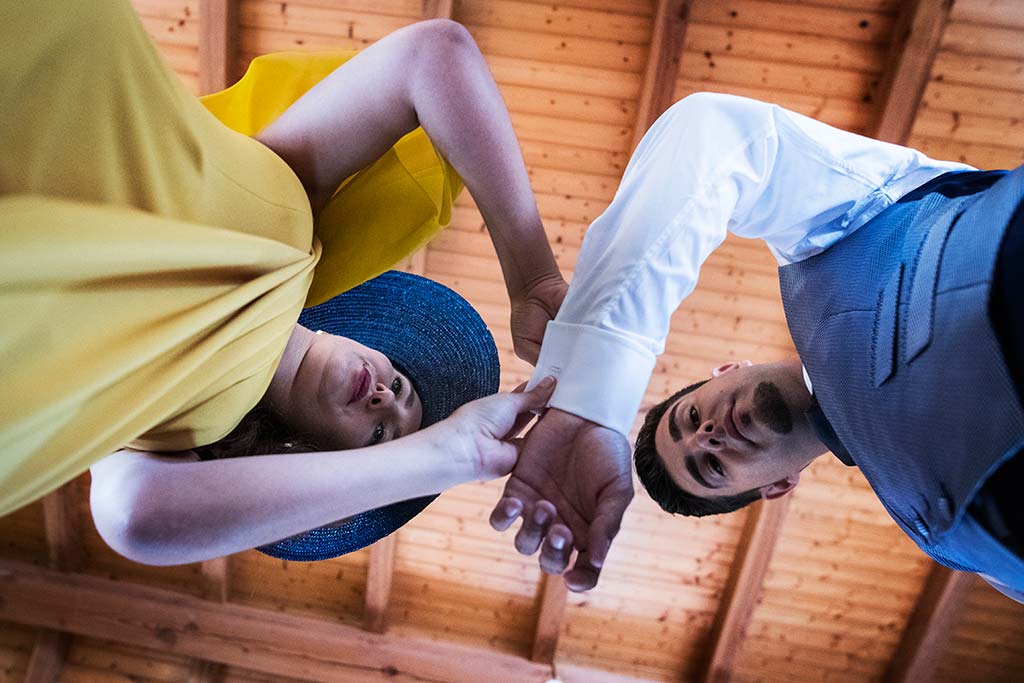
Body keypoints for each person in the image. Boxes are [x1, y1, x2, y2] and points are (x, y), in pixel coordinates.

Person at [1, 1, 566, 561]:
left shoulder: (183, 441)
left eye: (379, 435)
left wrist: (450, 455)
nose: (381, 397)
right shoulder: (301, 237)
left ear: (314, 453)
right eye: (400, 390)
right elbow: (433, 56)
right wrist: (533, 275)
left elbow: (133, 518)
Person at [488, 91, 1024, 601]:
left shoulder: (835, 236)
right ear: (777, 487)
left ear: (728, 367)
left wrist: (590, 401)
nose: (708, 436)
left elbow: (716, 134)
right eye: (710, 468)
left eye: (689, 417)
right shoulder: (945, 540)